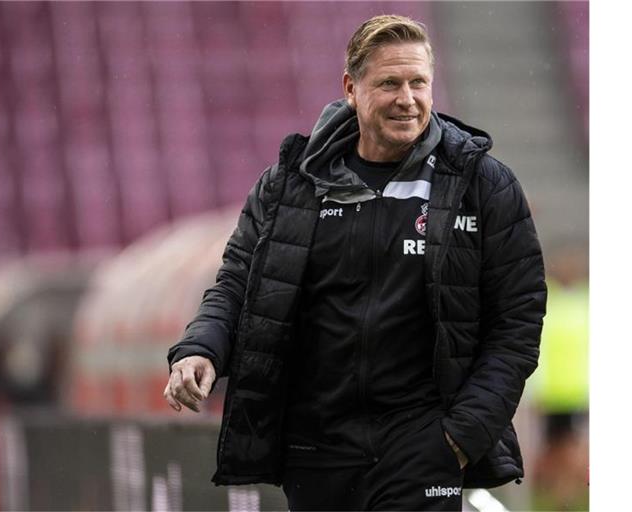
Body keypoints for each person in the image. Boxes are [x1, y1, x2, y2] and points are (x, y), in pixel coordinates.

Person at [164, 14, 546, 511]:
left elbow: (517, 321)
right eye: (389, 83)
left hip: (425, 447)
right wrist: (200, 350)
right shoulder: (289, 186)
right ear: (351, 87)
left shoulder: (482, 185)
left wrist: (459, 436)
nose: (407, 99)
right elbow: (238, 285)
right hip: (316, 450)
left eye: (419, 83)